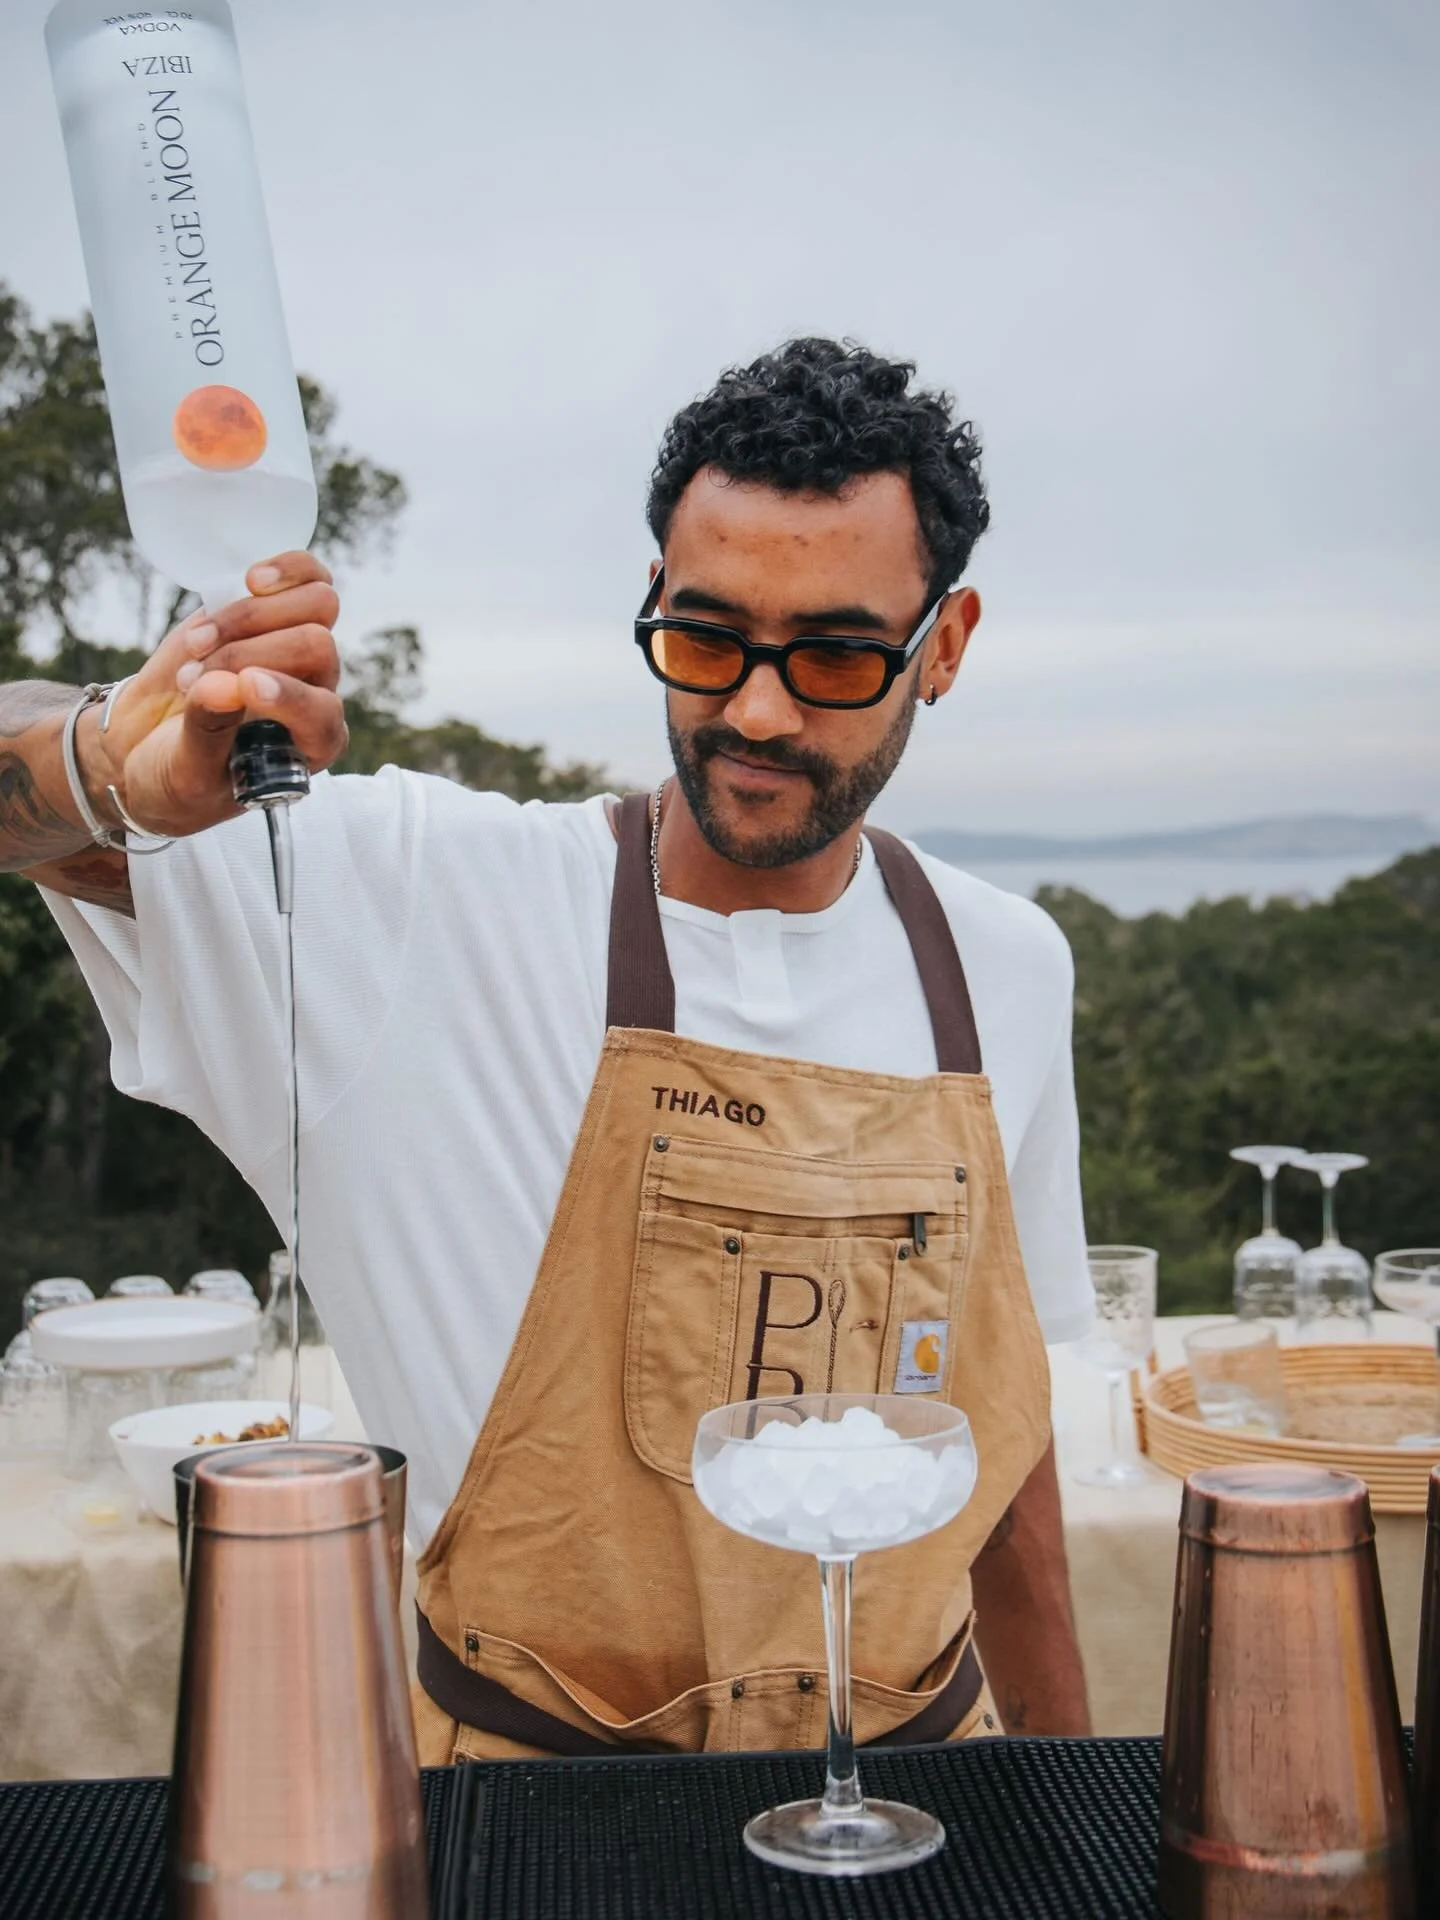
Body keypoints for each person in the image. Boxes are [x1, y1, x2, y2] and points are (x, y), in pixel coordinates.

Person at [2, 337, 1094, 1757]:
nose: (757, 711)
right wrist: (117, 762)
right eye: (707, 639)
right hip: (532, 1811)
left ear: (941, 648)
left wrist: (1081, 1800)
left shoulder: (1002, 965)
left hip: (910, 1795)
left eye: (833, 654)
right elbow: (31, 773)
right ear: (650, 601)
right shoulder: (412, 900)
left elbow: (999, 1447)